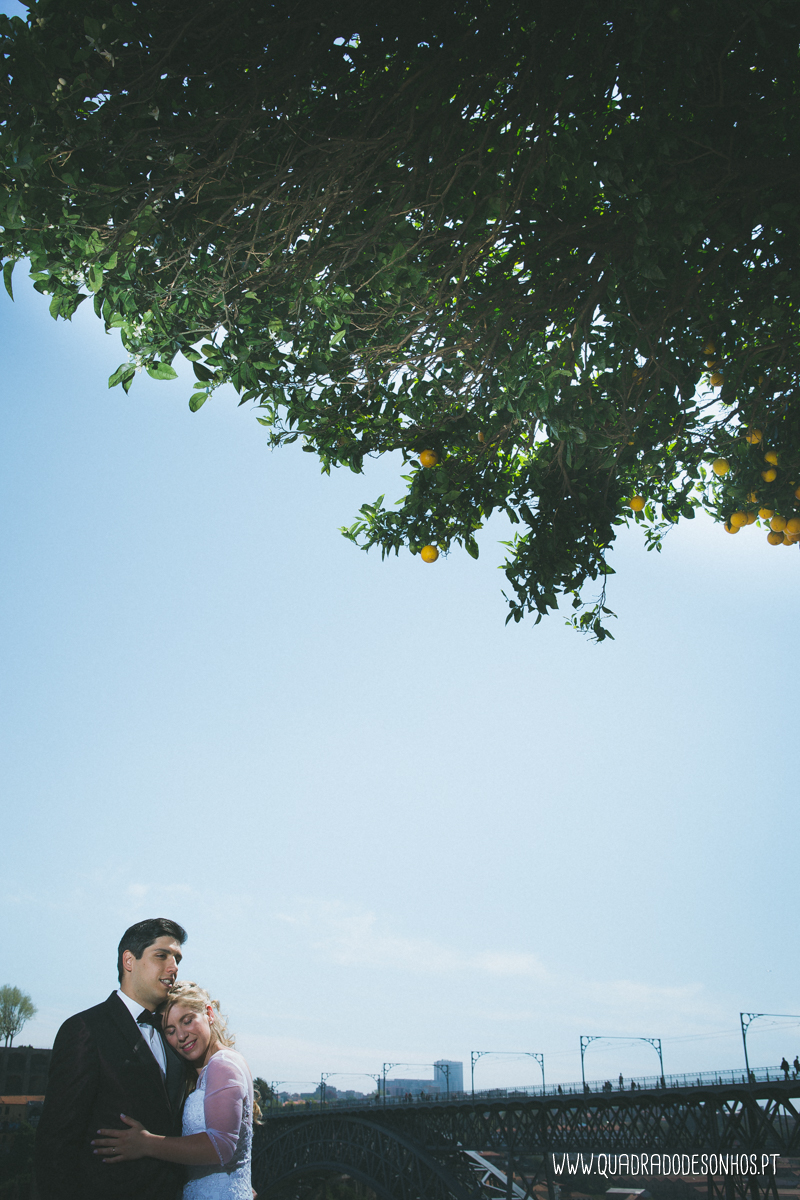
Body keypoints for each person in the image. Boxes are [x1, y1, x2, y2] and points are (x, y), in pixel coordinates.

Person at [34, 917, 188, 1200]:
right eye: (162, 955)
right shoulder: (85, 1029)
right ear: (129, 960)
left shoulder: (175, 1036)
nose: (174, 967)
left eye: (177, 958)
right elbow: (55, 1144)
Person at [92, 980, 256, 1200]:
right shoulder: (209, 1070)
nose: (181, 1036)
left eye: (187, 1021)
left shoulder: (222, 1064)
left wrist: (146, 1143)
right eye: (170, 1030)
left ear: (209, 1013)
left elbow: (222, 1146)